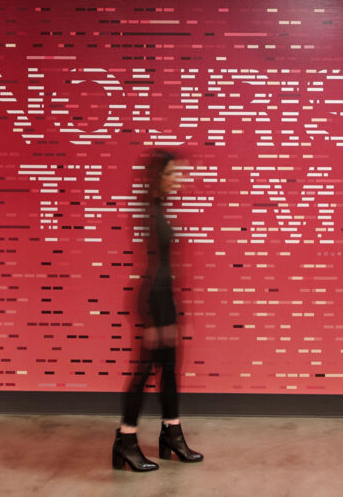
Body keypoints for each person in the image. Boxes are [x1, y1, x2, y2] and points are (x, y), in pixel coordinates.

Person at [112, 149, 204, 472]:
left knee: (169, 368)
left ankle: (172, 433)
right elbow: (153, 264)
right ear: (159, 177)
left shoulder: (160, 208)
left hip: (165, 296)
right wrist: (154, 315)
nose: (177, 180)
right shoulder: (149, 210)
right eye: (171, 174)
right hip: (154, 298)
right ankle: (125, 440)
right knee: (144, 371)